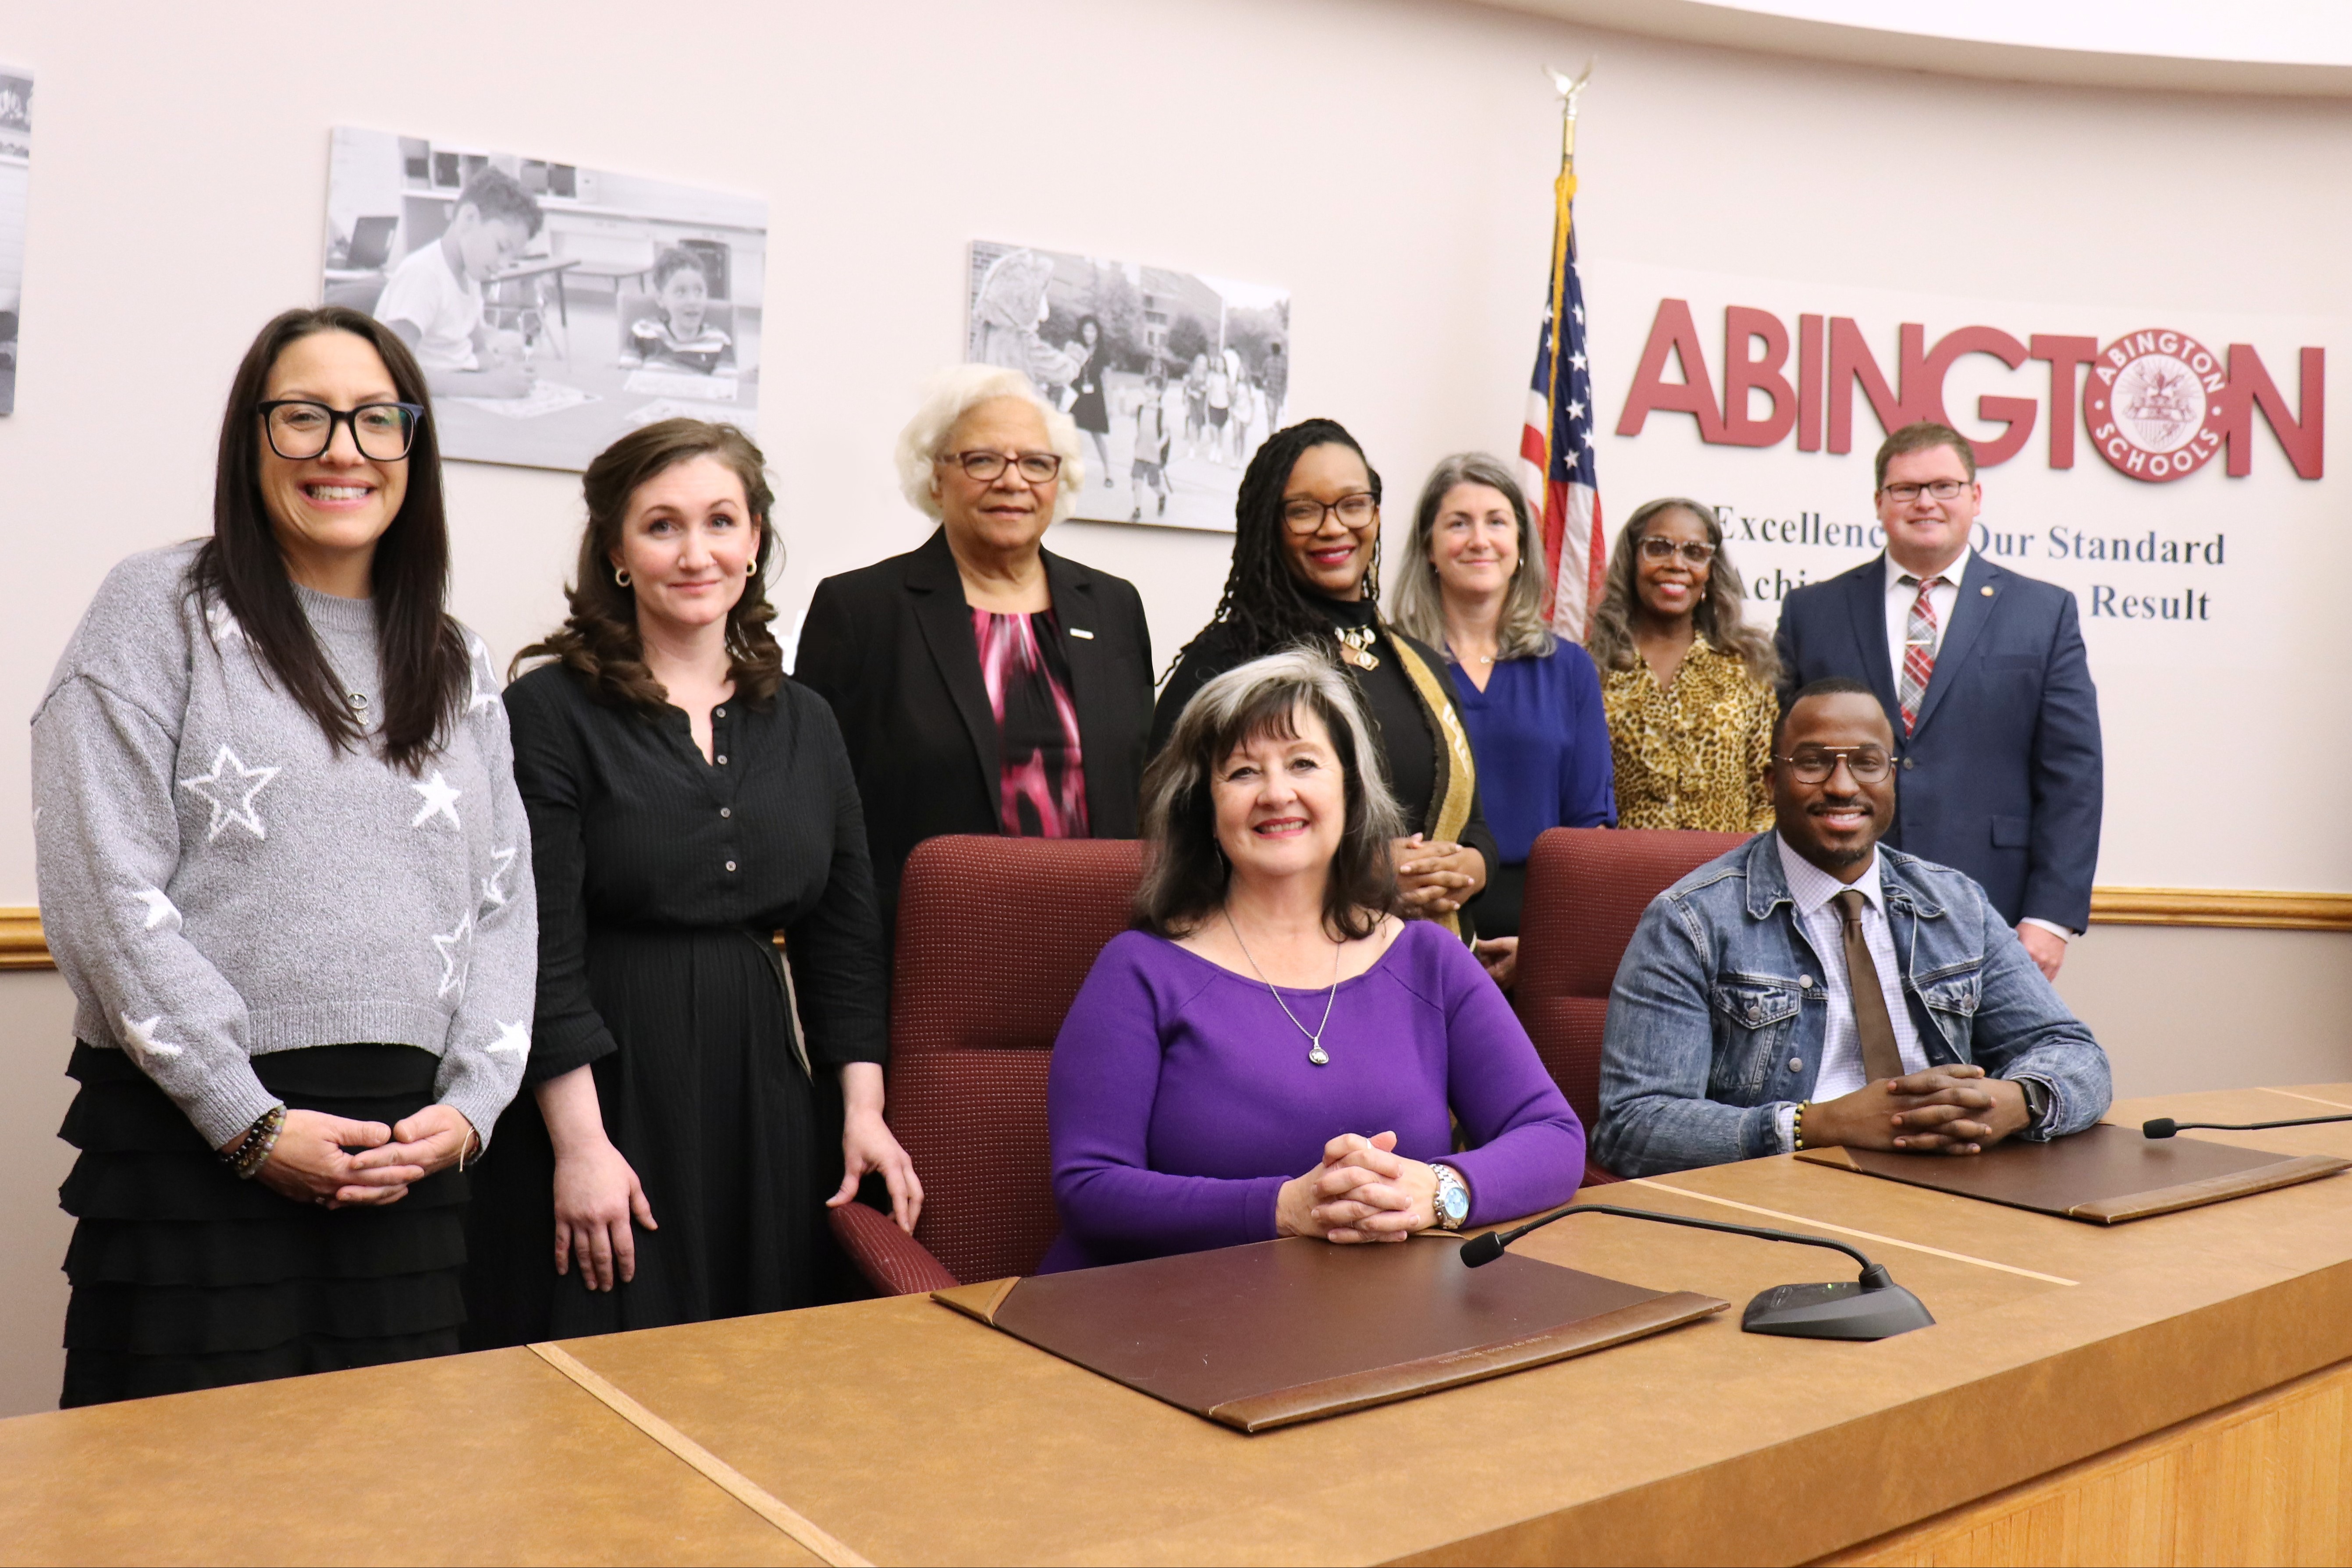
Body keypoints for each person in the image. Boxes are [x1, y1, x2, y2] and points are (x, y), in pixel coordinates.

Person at [34, 307, 535, 1405]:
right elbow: (99, 888)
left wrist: (475, 1106)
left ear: (414, 446)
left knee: (387, 1506)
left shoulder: (456, 660)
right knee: (175, 1509)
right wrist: (247, 1122)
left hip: (410, 1158)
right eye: (303, 417)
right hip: (195, 1143)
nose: (342, 451)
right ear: (250, 438)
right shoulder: (155, 608)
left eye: (374, 420)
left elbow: (505, 904)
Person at [462, 419, 918, 1344]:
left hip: (768, 1090)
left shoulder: (809, 720)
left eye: (721, 521)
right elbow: (534, 944)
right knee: (607, 1361)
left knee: (758, 1367)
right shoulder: (547, 711)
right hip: (605, 1090)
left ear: (755, 541)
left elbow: (844, 934)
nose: (696, 552)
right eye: (662, 526)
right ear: (618, 553)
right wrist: (582, 1147)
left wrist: (863, 1110)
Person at [1045, 650, 1585, 1269]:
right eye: (1243, 772)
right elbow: (1088, 1189)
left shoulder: (1428, 958)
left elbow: (1553, 1139)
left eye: (1303, 763)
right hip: (1164, 1324)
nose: (1277, 794)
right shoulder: (1139, 971)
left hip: (1387, 1326)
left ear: (1350, 791)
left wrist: (1438, 1191)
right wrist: (1284, 1208)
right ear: (1206, 808)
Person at [1592, 678, 2111, 1180]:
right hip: (1783, 1199)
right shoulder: (1689, 919)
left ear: (1891, 777)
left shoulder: (1955, 904)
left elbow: (2075, 1053)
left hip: (1952, 1189)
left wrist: (2022, 1100)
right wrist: (1814, 1125)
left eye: (1866, 763)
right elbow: (1634, 1126)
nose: (1842, 787)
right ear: (1770, 781)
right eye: (1813, 763)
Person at [795, 366, 1155, 941]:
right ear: (935, 476)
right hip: (937, 950)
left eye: (1036, 463)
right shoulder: (860, 611)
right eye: (982, 460)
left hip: (1101, 943)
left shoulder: (1113, 607)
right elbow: (818, 815)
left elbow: (1142, 790)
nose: (1012, 482)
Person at [1774, 422, 2101, 980]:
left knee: (1974, 1070)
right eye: (1905, 489)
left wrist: (2049, 918)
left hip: (1992, 906)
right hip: (1835, 898)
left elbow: (2072, 774)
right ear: (1879, 502)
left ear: (1975, 498)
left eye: (1944, 486)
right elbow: (1784, 764)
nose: (1925, 501)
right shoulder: (1813, 611)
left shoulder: (2042, 614)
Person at [1155, 419, 1498, 935]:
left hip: (1429, 960)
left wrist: (1473, 867)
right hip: (1284, 964)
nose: (1333, 527)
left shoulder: (1419, 663)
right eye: (1303, 511)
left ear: (1377, 515)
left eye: (1352, 504)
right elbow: (1177, 837)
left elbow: (1473, 821)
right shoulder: (1228, 660)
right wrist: (1351, 870)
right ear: (1268, 523)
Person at [1389, 454, 1613, 979]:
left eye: (1496, 521)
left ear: (1520, 546)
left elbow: (1590, 832)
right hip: (1411, 925)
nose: (1478, 539)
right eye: (1457, 523)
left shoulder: (1569, 668)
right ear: (1428, 547)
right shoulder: (1388, 662)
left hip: (1539, 926)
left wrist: (1543, 945)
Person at [1587, 497, 1778, 833]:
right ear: (1632, 559)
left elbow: (1768, 794)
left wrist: (1749, 878)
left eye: (1694, 552)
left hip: (1726, 876)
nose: (1677, 564)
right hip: (1625, 874)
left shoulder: (1746, 666)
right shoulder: (1591, 666)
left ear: (1711, 569)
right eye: (1659, 548)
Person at [375, 166, 541, 400]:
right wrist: (490, 385)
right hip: (429, 406)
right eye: (502, 248)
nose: (504, 264)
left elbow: (478, 349)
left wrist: (502, 369)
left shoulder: (468, 274)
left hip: (458, 396)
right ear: (469, 219)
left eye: (513, 257)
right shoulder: (424, 275)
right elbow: (392, 372)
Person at [623, 247, 733, 375]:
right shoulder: (644, 332)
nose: (693, 301)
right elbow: (625, 381)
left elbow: (726, 389)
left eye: (699, 291)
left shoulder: (718, 341)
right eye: (681, 292)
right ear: (660, 299)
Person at [1065, 314, 1114, 484]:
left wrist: (1111, 404)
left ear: (1098, 333)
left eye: (1092, 330)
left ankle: (1108, 473)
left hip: (1095, 397)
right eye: (1086, 330)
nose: (1089, 334)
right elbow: (1067, 369)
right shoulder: (1076, 349)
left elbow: (1108, 381)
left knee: (1097, 435)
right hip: (1077, 393)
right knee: (1069, 431)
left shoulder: (1103, 354)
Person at [1128, 367, 1171, 521]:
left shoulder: (1161, 412)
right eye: (1148, 387)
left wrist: (1160, 445)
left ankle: (1162, 496)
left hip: (1153, 456)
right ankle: (1137, 509)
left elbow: (1166, 433)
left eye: (1153, 389)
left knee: (1154, 485)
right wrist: (1120, 398)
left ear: (1159, 393)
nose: (1149, 391)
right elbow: (1125, 412)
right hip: (1140, 453)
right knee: (1137, 481)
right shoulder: (1141, 408)